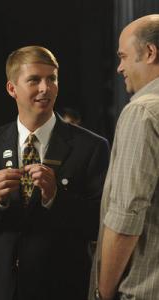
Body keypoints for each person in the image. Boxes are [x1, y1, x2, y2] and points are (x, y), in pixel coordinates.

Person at [0, 45, 110, 300]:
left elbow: (101, 224)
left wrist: (55, 197)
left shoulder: (92, 146)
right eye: (34, 80)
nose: (45, 88)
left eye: (51, 79)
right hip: (2, 289)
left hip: (63, 288)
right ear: (12, 89)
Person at [89, 15, 159, 300]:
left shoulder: (142, 112)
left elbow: (126, 215)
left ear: (150, 53)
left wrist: (101, 293)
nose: (119, 68)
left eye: (123, 57)